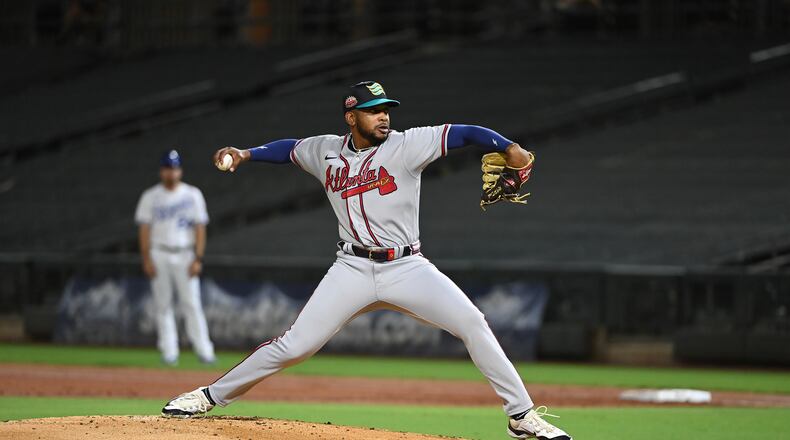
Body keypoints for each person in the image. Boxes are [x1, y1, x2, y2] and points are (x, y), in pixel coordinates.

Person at [161, 82, 571, 439]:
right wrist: (246, 154)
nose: (383, 118)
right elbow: (289, 150)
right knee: (294, 347)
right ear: (351, 115)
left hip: (407, 266)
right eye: (373, 111)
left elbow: (464, 133)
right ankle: (207, 396)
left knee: (472, 322)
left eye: (386, 110)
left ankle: (520, 415)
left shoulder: (408, 145)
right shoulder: (325, 151)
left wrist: (508, 147)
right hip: (351, 268)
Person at [135, 150, 216, 366]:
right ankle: (169, 351)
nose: (171, 172)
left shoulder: (192, 194)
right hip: (159, 252)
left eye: (174, 168)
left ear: (180, 170)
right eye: (168, 168)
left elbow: (200, 228)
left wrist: (198, 258)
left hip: (185, 253)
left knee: (192, 304)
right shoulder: (150, 196)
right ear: (162, 171)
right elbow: (144, 229)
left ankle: (204, 351)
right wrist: (146, 259)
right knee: (163, 305)